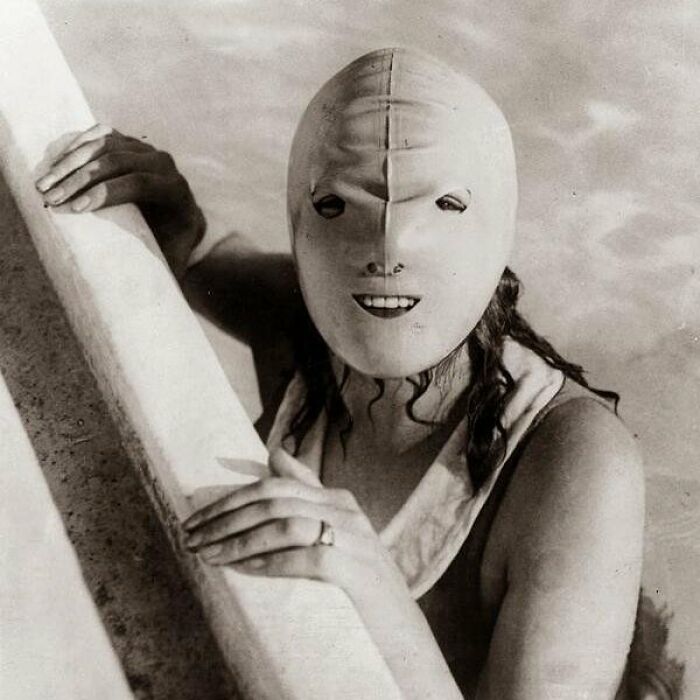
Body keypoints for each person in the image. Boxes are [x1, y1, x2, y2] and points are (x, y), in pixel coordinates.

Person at [37, 48, 681, 699]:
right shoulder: (308, 325)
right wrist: (175, 215)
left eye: (444, 205)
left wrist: (373, 585)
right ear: (299, 219)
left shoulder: (575, 460)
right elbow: (202, 260)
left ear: (498, 225)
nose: (387, 250)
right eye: (336, 207)